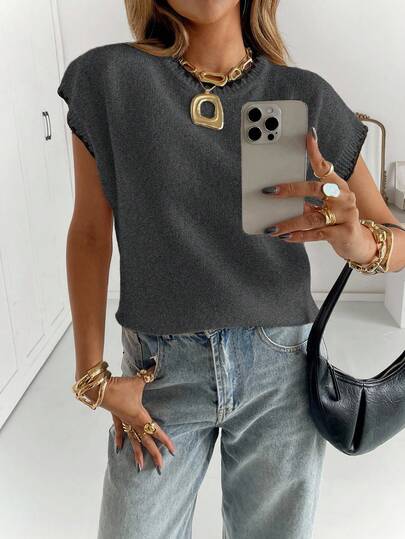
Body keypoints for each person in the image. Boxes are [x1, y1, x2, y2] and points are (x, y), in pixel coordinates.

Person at [58, 1, 405, 537]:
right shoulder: (109, 79)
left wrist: (358, 240)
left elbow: (396, 240)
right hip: (158, 375)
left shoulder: (300, 93)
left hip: (282, 372)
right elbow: (88, 232)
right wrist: (92, 378)